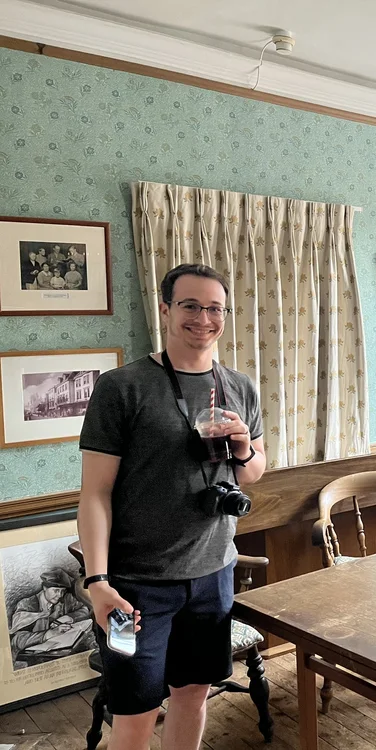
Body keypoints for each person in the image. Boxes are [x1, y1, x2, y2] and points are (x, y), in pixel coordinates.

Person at [77, 263, 266, 750]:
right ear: (164, 309)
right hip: (133, 588)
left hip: (213, 577)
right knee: (134, 713)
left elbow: (252, 471)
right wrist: (97, 582)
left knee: (195, 694)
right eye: (190, 306)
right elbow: (94, 493)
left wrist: (244, 447)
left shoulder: (241, 386)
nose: (204, 318)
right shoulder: (121, 387)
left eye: (215, 308)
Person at [9, 567, 93, 667]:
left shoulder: (65, 600)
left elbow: (85, 609)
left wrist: (68, 617)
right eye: (56, 590)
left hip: (61, 652)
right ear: (45, 588)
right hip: (32, 660)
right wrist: (49, 633)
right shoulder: (27, 604)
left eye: (62, 591)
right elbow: (17, 639)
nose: (60, 595)